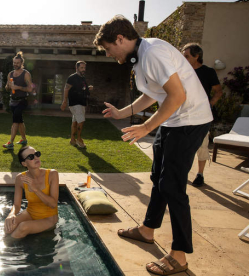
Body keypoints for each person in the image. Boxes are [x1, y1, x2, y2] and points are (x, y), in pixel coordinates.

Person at [94, 15, 213, 275]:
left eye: (108, 47)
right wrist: (121, 113)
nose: (108, 53)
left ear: (120, 39)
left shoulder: (153, 52)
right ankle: (147, 230)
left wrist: (147, 127)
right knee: (159, 178)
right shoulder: (141, 56)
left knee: (172, 185)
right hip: (174, 121)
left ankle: (179, 256)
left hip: (190, 121)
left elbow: (177, 95)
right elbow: (153, 93)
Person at [182, 43, 223, 187]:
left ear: (197, 56)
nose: (183, 58)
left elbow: (218, 91)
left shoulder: (208, 72)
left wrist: (210, 104)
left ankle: (200, 174)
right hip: (184, 114)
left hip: (202, 116)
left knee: (202, 145)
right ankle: (181, 173)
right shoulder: (182, 71)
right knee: (182, 145)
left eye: (186, 56)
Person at [4, 146, 59, 238]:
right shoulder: (20, 178)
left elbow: (53, 204)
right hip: (30, 213)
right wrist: (11, 214)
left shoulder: (52, 174)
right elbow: (17, 205)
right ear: (24, 163)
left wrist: (35, 189)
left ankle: (4, 249)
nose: (36, 158)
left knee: (23, 227)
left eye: (36, 154)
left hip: (49, 218)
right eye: (30, 157)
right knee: (9, 225)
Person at [3, 52, 33, 150]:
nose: (15, 64)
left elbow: (30, 89)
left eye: (17, 63)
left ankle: (10, 143)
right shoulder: (10, 74)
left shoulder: (26, 74)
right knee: (19, 121)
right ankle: (24, 139)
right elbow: (7, 87)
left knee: (15, 121)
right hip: (13, 101)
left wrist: (18, 87)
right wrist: (8, 86)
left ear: (21, 63)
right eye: (14, 62)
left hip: (22, 101)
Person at [61, 61, 93, 148]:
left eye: (84, 68)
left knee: (75, 122)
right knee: (81, 121)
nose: (84, 69)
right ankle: (79, 139)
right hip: (75, 103)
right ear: (77, 68)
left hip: (81, 103)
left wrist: (88, 88)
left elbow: (82, 89)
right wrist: (64, 101)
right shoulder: (72, 77)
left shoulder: (82, 78)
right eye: (82, 68)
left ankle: (72, 140)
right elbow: (66, 89)